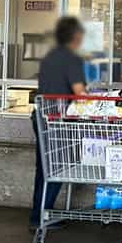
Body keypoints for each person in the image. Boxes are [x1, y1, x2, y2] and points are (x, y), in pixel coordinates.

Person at [30, 16, 86, 232]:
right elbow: (79, 92)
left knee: (43, 168)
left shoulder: (49, 57)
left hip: (41, 116)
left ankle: (39, 214)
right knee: (56, 168)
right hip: (59, 120)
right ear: (76, 36)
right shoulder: (72, 59)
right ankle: (41, 216)